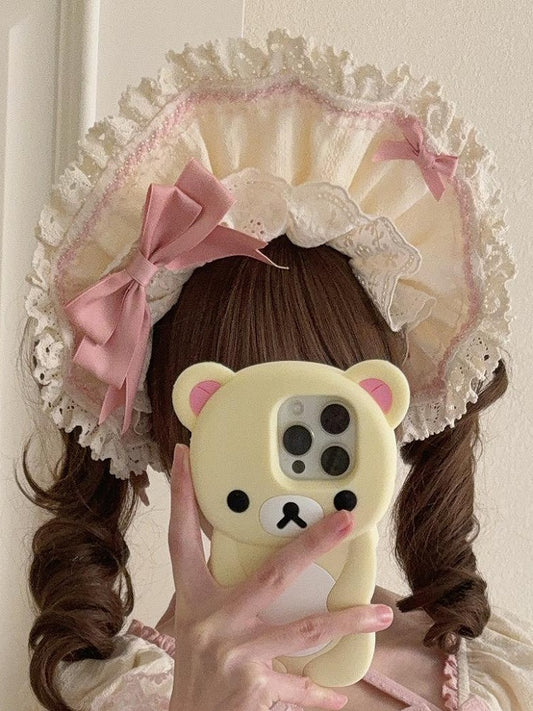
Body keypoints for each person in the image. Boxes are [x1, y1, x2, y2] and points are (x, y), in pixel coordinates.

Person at [19, 29, 533, 711]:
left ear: (382, 413)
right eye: (237, 429)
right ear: (174, 434)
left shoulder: (488, 672)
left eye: (326, 428)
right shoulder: (116, 694)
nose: (286, 482)